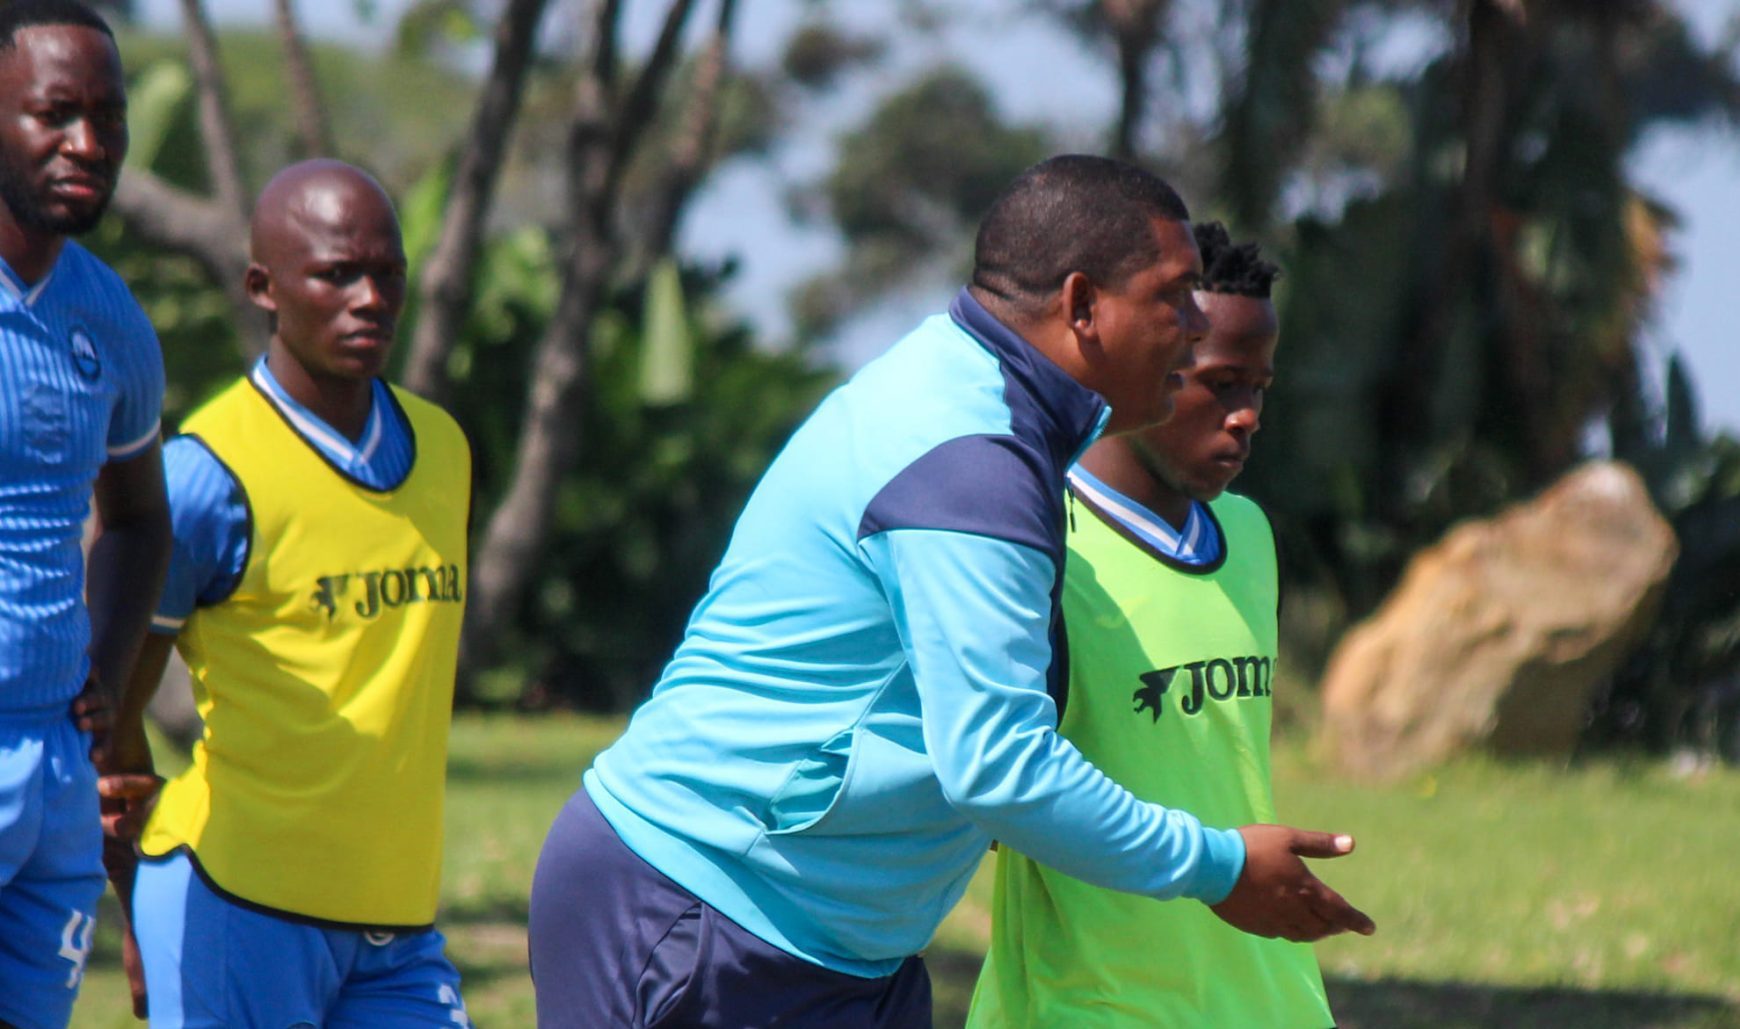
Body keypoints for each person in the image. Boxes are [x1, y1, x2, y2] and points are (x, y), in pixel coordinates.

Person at [528, 155, 1371, 1027]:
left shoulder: (995, 406)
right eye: (1174, 295)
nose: (1198, 324)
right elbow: (998, 767)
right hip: (701, 913)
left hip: (845, 951)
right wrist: (1219, 866)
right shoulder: (968, 454)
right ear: (1083, 307)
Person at [966, 222, 1360, 1027]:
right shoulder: (1036, 540)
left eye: (1261, 387)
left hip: (1268, 997)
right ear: (1152, 361)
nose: (1247, 415)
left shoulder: (1248, 535)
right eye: (1220, 384)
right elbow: (997, 782)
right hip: (1090, 1001)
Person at [109, 159, 474, 1028]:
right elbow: (113, 700)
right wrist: (136, 899)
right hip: (235, 902)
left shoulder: (447, 449)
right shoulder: (203, 478)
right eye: (337, 273)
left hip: (399, 922)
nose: (370, 298)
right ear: (262, 287)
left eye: (387, 273)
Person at [0, 2, 172, 1025]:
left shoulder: (108, 317)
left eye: (107, 118)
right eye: (54, 114)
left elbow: (140, 519)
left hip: (55, 776)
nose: (89, 144)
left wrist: (105, 680)